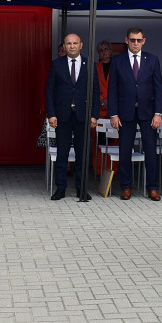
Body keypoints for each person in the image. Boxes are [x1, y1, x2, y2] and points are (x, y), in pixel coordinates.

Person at [108, 26, 162, 200]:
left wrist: (158, 113)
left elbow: (158, 88)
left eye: (139, 40)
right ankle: (126, 187)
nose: (136, 43)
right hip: (125, 113)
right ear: (127, 41)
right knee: (125, 151)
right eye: (132, 40)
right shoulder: (118, 61)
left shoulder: (152, 60)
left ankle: (152, 188)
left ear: (144, 41)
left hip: (148, 113)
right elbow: (112, 90)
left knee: (150, 151)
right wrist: (113, 114)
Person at [45, 33, 99, 200]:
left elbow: (95, 92)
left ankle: (81, 189)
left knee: (83, 154)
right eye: (69, 43)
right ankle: (60, 188)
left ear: (81, 45)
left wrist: (94, 115)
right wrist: (51, 114)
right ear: (64, 46)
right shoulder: (56, 65)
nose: (72, 46)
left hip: (83, 115)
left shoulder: (90, 64)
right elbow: (49, 91)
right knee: (62, 153)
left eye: (75, 43)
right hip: (63, 116)